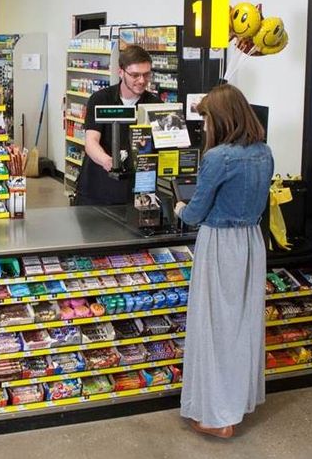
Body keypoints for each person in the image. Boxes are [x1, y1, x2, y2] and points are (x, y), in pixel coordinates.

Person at [173, 84, 273, 439]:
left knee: (214, 329)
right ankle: (234, 405)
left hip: (219, 244)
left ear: (220, 119)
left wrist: (180, 207)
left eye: (207, 120)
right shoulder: (264, 152)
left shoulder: (218, 158)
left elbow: (197, 211)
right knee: (242, 325)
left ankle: (219, 417)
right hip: (250, 242)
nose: (205, 127)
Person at [75, 45, 161, 206]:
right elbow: (91, 141)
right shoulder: (101, 99)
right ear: (120, 72)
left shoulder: (155, 104)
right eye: (135, 75)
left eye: (146, 74)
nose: (142, 81)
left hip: (137, 191)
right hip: (98, 189)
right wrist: (108, 161)